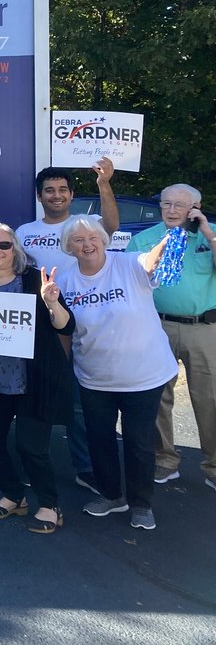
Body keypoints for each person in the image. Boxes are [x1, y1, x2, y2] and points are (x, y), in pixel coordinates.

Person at [58, 216, 176, 530]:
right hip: (94, 378)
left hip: (143, 376)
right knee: (100, 440)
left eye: (93, 237)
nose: (87, 244)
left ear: (103, 239)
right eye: (79, 240)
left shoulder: (128, 264)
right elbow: (65, 331)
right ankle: (111, 496)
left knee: (139, 442)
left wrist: (168, 239)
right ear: (69, 247)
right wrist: (62, 369)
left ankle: (141, 504)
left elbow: (151, 262)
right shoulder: (66, 281)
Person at [0, 222, 75, 534]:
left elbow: (66, 326)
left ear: (15, 248)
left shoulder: (34, 280)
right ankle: (14, 495)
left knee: (30, 447)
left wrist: (52, 303)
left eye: (4, 245)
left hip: (34, 379)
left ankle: (50, 505)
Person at [15, 160, 118, 497]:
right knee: (38, 397)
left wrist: (104, 183)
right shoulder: (24, 232)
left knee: (78, 402)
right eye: (49, 190)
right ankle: (34, 463)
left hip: (84, 321)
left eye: (62, 190)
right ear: (39, 196)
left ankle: (85, 468)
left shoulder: (85, 225)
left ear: (72, 195)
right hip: (40, 325)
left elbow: (111, 226)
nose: (56, 195)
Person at [127, 183, 216, 493]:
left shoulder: (210, 235)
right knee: (157, 396)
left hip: (203, 328)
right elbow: (129, 282)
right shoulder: (143, 239)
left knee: (210, 398)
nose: (172, 210)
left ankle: (214, 465)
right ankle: (165, 458)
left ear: (195, 208)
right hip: (156, 326)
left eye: (180, 205)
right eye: (166, 204)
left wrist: (207, 232)